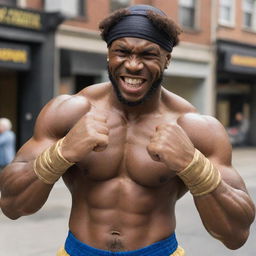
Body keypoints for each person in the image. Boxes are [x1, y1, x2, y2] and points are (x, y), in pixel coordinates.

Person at [0, 5, 255, 256]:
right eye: (122, 51)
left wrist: (193, 164)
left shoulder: (196, 128)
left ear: (167, 59)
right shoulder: (68, 112)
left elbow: (236, 234)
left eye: (148, 55)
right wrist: (61, 152)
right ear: (108, 54)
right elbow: (11, 204)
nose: (133, 65)